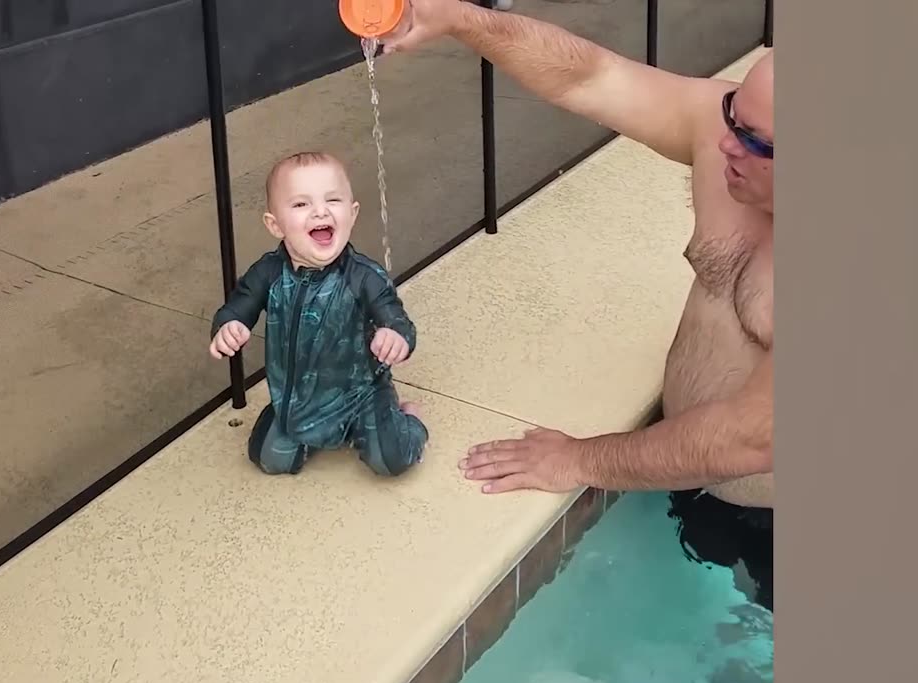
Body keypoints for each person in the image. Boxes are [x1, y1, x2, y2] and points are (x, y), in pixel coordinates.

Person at [382, 1, 774, 607]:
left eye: (753, 139)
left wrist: (580, 459)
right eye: (732, 115)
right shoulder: (727, 139)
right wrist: (460, 18)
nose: (724, 143)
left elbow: (749, 439)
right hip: (686, 482)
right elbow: (589, 75)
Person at [209, 151, 430, 478]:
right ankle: (305, 431)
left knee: (391, 459)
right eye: (301, 204)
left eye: (333, 200)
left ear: (352, 214)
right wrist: (229, 325)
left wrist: (394, 335)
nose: (320, 211)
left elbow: (395, 317)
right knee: (268, 458)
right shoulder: (269, 273)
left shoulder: (363, 277)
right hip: (298, 398)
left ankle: (411, 422)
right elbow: (238, 305)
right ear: (274, 224)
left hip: (363, 395)